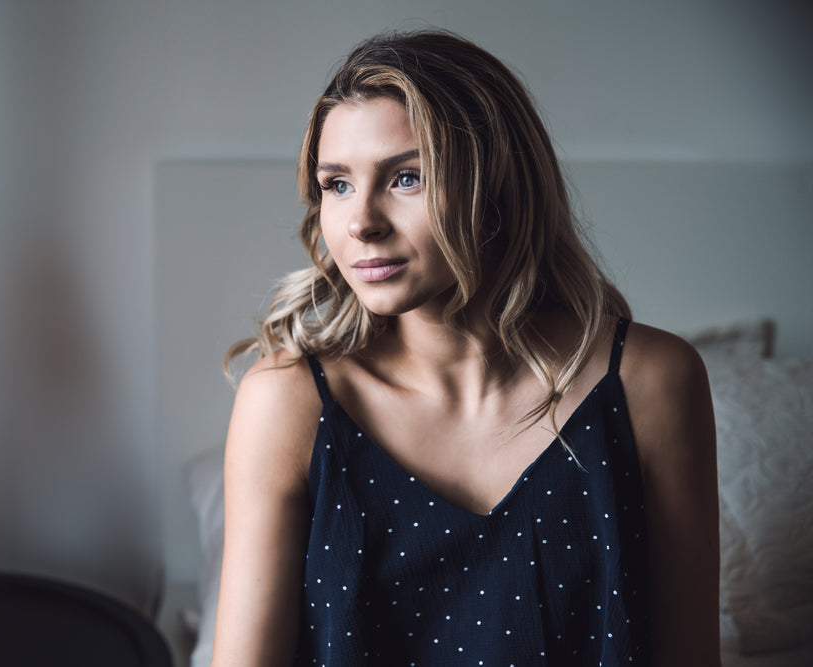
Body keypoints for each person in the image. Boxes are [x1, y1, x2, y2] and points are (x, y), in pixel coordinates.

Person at [212, 29, 720, 666]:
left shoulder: (651, 381)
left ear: (499, 186)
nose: (360, 221)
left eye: (406, 178)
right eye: (336, 184)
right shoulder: (286, 402)